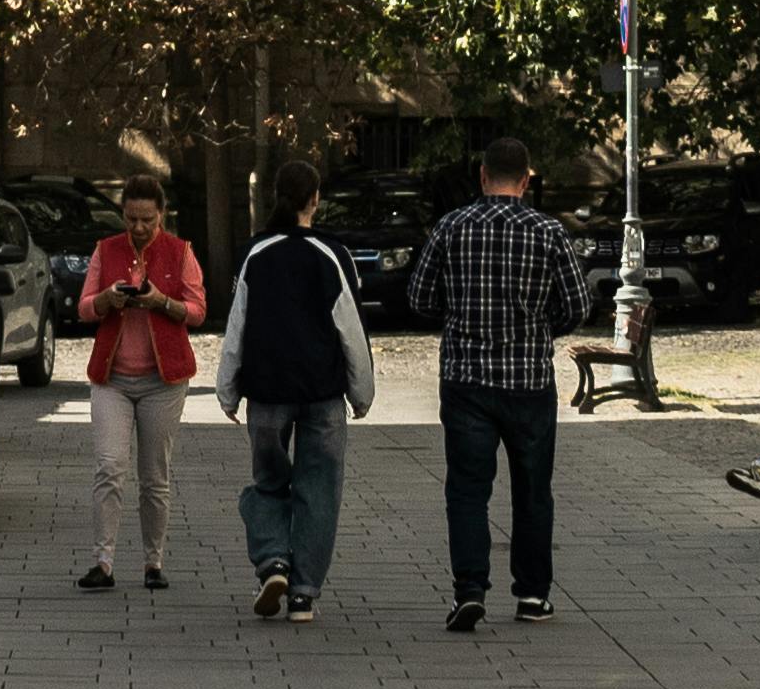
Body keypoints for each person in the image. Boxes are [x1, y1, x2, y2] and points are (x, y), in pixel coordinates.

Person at [414, 135, 585, 631]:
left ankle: (469, 589)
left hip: (466, 380)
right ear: (527, 180)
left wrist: (460, 313)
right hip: (530, 382)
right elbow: (576, 306)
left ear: (483, 177)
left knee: (467, 489)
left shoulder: (451, 227)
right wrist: (538, 327)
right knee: (533, 490)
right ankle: (532, 594)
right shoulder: (549, 232)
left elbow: (421, 297)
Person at [215, 158, 374, 621]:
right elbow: (350, 329)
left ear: (276, 197)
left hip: (266, 390)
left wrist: (227, 390)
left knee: (268, 481)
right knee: (319, 489)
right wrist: (361, 393)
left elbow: (236, 328)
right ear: (315, 199)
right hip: (322, 392)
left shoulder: (255, 253)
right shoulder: (332, 254)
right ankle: (303, 592)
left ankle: (272, 561)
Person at [77, 174, 204, 588]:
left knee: (154, 476)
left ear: (161, 215)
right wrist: (106, 299)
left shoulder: (180, 252)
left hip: (162, 381)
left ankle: (153, 563)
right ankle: (103, 562)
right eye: (131, 218)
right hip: (111, 378)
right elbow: (83, 308)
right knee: (109, 467)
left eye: (147, 219)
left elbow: (198, 310)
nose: (139, 228)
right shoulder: (105, 250)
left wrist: (158, 302)